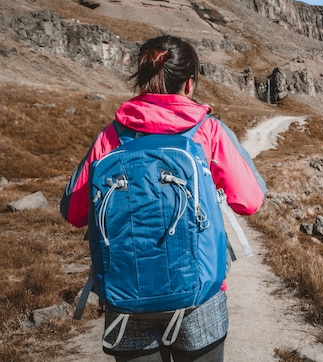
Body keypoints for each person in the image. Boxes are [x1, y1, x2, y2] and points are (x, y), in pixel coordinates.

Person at [60, 35, 267, 362]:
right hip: (199, 297)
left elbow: (73, 212)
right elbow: (250, 201)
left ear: (143, 80)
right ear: (189, 83)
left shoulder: (111, 136)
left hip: (126, 295)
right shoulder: (209, 131)